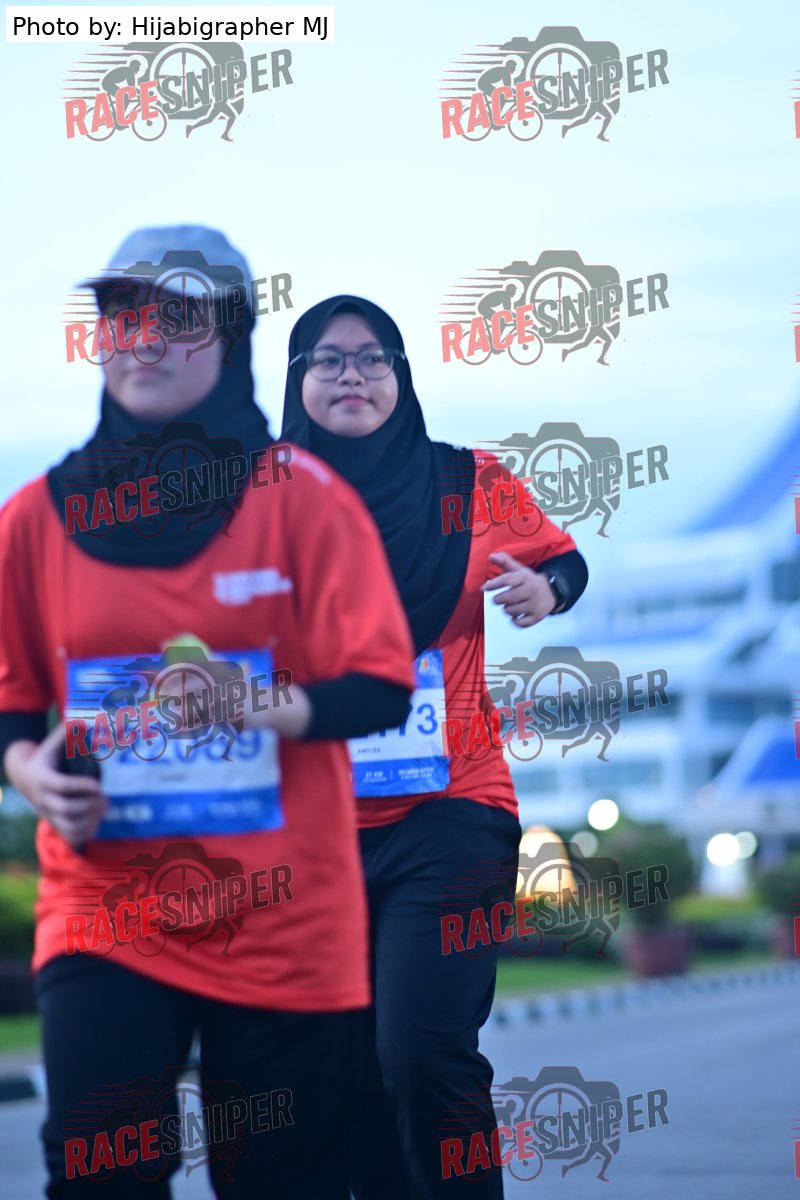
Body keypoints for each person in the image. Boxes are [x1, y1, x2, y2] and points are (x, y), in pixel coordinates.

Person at [0, 233, 415, 1198]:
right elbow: (12, 706)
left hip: (280, 915)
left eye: (177, 319)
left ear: (232, 341)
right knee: (99, 1176)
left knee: (284, 1179)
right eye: (122, 317)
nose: (143, 340)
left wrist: (250, 701)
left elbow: (381, 685)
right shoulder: (35, 518)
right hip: (106, 908)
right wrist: (30, 775)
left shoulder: (304, 502)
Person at [281, 295, 589, 1198]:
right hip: (311, 830)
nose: (352, 376)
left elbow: (565, 560)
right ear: (298, 379)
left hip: (452, 812)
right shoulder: (260, 499)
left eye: (373, 358)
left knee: (421, 1057)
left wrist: (548, 591)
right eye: (329, 359)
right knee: (351, 1076)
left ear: (401, 376)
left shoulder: (468, 481)